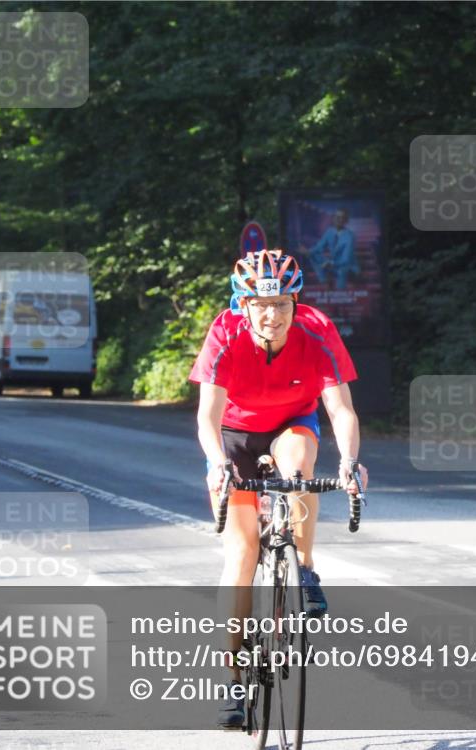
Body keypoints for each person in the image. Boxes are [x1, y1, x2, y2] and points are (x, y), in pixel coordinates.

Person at [188, 248, 369, 728]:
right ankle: (233, 677)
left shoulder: (316, 329)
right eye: (261, 305)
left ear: (295, 302)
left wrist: (350, 462)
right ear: (242, 304)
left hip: (292, 422)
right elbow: (207, 416)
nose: (272, 315)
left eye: (283, 304)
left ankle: (304, 568)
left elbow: (342, 409)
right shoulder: (225, 334)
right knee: (242, 554)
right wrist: (216, 464)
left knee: (298, 468)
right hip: (233, 436)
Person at [303, 208, 359, 290]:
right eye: (336, 217)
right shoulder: (330, 232)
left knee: (342, 271)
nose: (338, 219)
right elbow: (319, 247)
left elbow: (346, 259)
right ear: (333, 219)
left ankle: (340, 293)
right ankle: (324, 280)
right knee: (313, 254)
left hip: (347, 266)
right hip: (333, 264)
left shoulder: (350, 236)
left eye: (341, 217)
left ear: (345, 221)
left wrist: (331, 263)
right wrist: (308, 251)